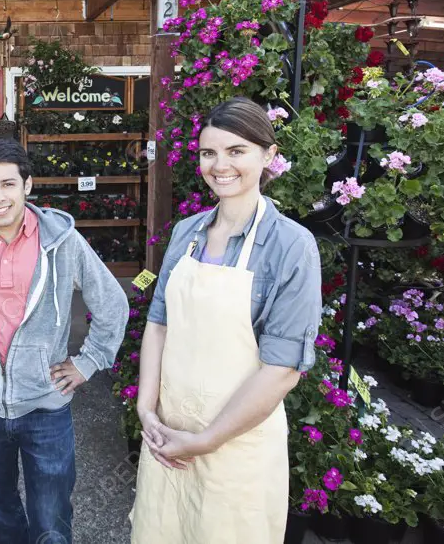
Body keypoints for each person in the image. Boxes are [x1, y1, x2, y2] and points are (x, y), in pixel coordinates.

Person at [0, 139, 129, 544]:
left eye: (8, 184)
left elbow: (113, 303)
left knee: (50, 520)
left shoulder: (61, 241)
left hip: (46, 405)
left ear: (27, 186)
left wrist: (87, 362)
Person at [130, 97, 322, 544]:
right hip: (168, 434)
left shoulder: (292, 246)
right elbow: (159, 324)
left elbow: (282, 370)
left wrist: (207, 440)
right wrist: (146, 407)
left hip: (237, 446)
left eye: (237, 151)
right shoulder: (186, 232)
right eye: (208, 153)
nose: (221, 165)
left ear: (269, 156)